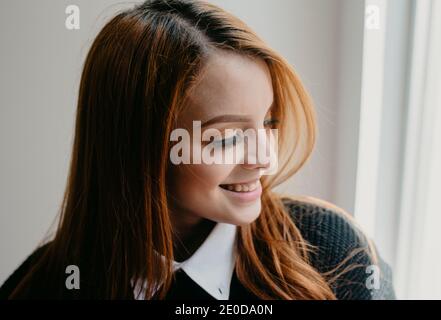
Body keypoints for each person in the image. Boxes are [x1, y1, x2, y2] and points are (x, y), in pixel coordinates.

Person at [0, 0, 395, 300]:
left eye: (268, 123)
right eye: (225, 139)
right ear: (140, 147)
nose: (263, 158)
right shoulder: (41, 286)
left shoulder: (332, 253)